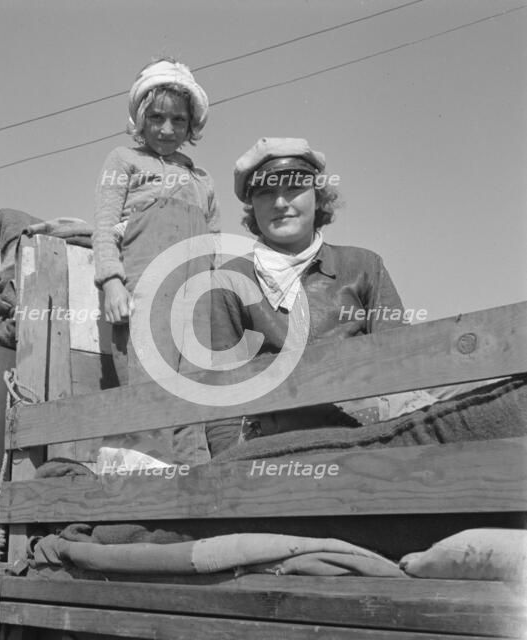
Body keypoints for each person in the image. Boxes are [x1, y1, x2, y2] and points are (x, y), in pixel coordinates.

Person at [207, 137, 435, 455]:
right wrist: (231, 471)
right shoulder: (230, 282)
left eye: (294, 188)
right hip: (275, 454)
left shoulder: (364, 266)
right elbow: (221, 395)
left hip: (365, 444)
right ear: (251, 206)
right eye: (266, 192)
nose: (280, 202)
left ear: (318, 195)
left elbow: (403, 367)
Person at [92, 58, 220, 467]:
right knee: (150, 378)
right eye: (157, 117)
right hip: (146, 285)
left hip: (196, 290)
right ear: (140, 117)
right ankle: (149, 485)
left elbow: (214, 242)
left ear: (191, 125)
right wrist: (112, 281)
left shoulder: (203, 180)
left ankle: (196, 474)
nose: (167, 129)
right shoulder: (122, 161)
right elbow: (104, 226)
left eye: (178, 121)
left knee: (195, 381)